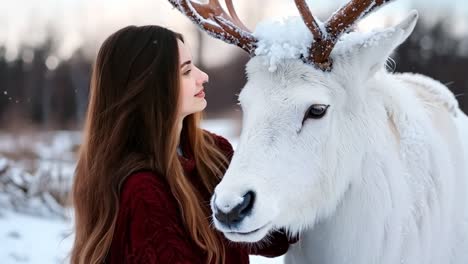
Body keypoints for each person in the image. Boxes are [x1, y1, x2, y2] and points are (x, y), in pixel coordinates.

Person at [70, 25, 296, 264]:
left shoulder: (212, 152)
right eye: (187, 71)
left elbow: (274, 237)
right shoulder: (142, 191)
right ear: (150, 87)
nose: (203, 77)